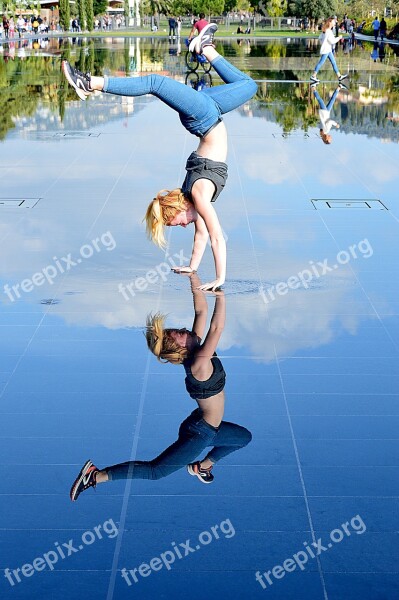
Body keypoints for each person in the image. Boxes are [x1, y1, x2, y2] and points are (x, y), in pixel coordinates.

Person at [62, 24, 257, 292]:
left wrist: (220, 277)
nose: (179, 226)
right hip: (210, 112)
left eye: (172, 223)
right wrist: (193, 267)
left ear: (175, 210)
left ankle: (90, 82)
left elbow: (216, 237)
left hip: (204, 117)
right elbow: (203, 234)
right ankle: (205, 47)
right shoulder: (196, 198)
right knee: (248, 85)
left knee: (155, 82)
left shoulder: (198, 194)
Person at [69, 276, 252, 501]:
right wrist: (221, 295)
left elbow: (202, 312)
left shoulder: (198, 350)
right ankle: (95, 476)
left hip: (205, 427)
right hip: (200, 433)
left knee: (243, 438)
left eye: (179, 329)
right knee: (156, 471)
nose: (184, 330)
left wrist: (193, 276)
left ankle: (201, 467)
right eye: (181, 334)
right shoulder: (199, 364)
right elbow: (217, 326)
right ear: (179, 347)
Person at [310, 17, 348, 83]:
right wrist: (339, 37)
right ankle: (313, 76)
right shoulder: (328, 31)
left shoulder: (326, 30)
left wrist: (324, 42)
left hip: (328, 49)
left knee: (333, 62)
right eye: (333, 21)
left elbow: (320, 38)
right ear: (330, 23)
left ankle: (339, 76)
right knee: (321, 63)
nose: (335, 22)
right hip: (326, 50)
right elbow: (332, 41)